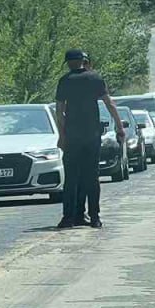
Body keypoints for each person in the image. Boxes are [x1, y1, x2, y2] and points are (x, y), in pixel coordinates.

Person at [54, 49, 124, 228]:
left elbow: (59, 112)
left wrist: (62, 135)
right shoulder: (95, 79)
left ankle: (68, 218)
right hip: (91, 135)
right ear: (84, 61)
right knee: (92, 177)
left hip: (72, 137)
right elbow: (110, 103)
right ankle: (94, 217)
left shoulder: (64, 81)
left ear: (68, 63)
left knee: (71, 178)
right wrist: (119, 126)